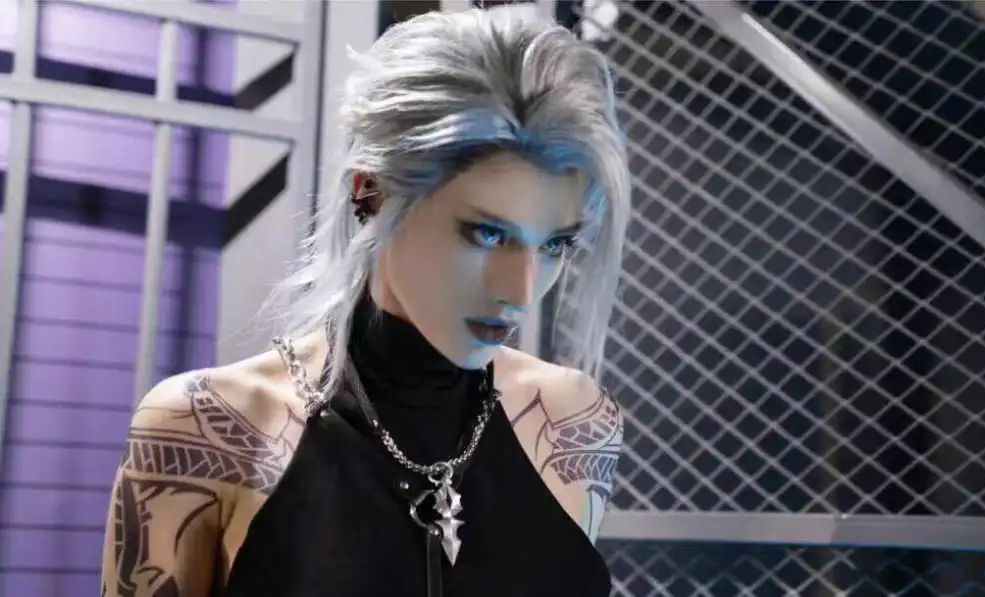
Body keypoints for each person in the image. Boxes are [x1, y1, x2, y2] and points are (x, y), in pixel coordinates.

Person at [100, 6, 630, 596]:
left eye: (555, 245)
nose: (522, 291)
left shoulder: (574, 419)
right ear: (370, 191)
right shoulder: (211, 424)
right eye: (486, 233)